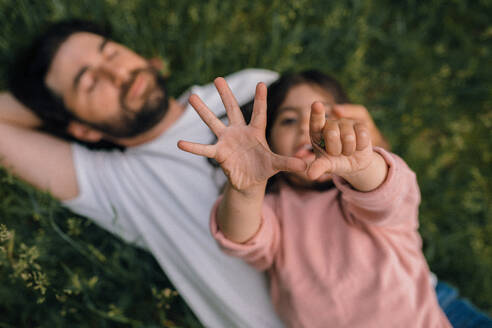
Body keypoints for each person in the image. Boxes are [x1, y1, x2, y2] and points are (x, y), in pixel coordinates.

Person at [0, 20, 389, 327]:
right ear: (83, 129)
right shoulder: (115, 182)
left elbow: (369, 161)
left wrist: (372, 144)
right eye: (90, 82)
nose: (118, 73)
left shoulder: (246, 87)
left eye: (111, 53)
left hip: (406, 297)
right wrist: (49, 105)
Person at [177, 71, 454, 327]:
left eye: (322, 117)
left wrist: (361, 164)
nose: (307, 129)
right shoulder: (274, 209)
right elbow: (241, 238)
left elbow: (390, 193)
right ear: (269, 139)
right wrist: (246, 189)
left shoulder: (365, 195)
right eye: (288, 120)